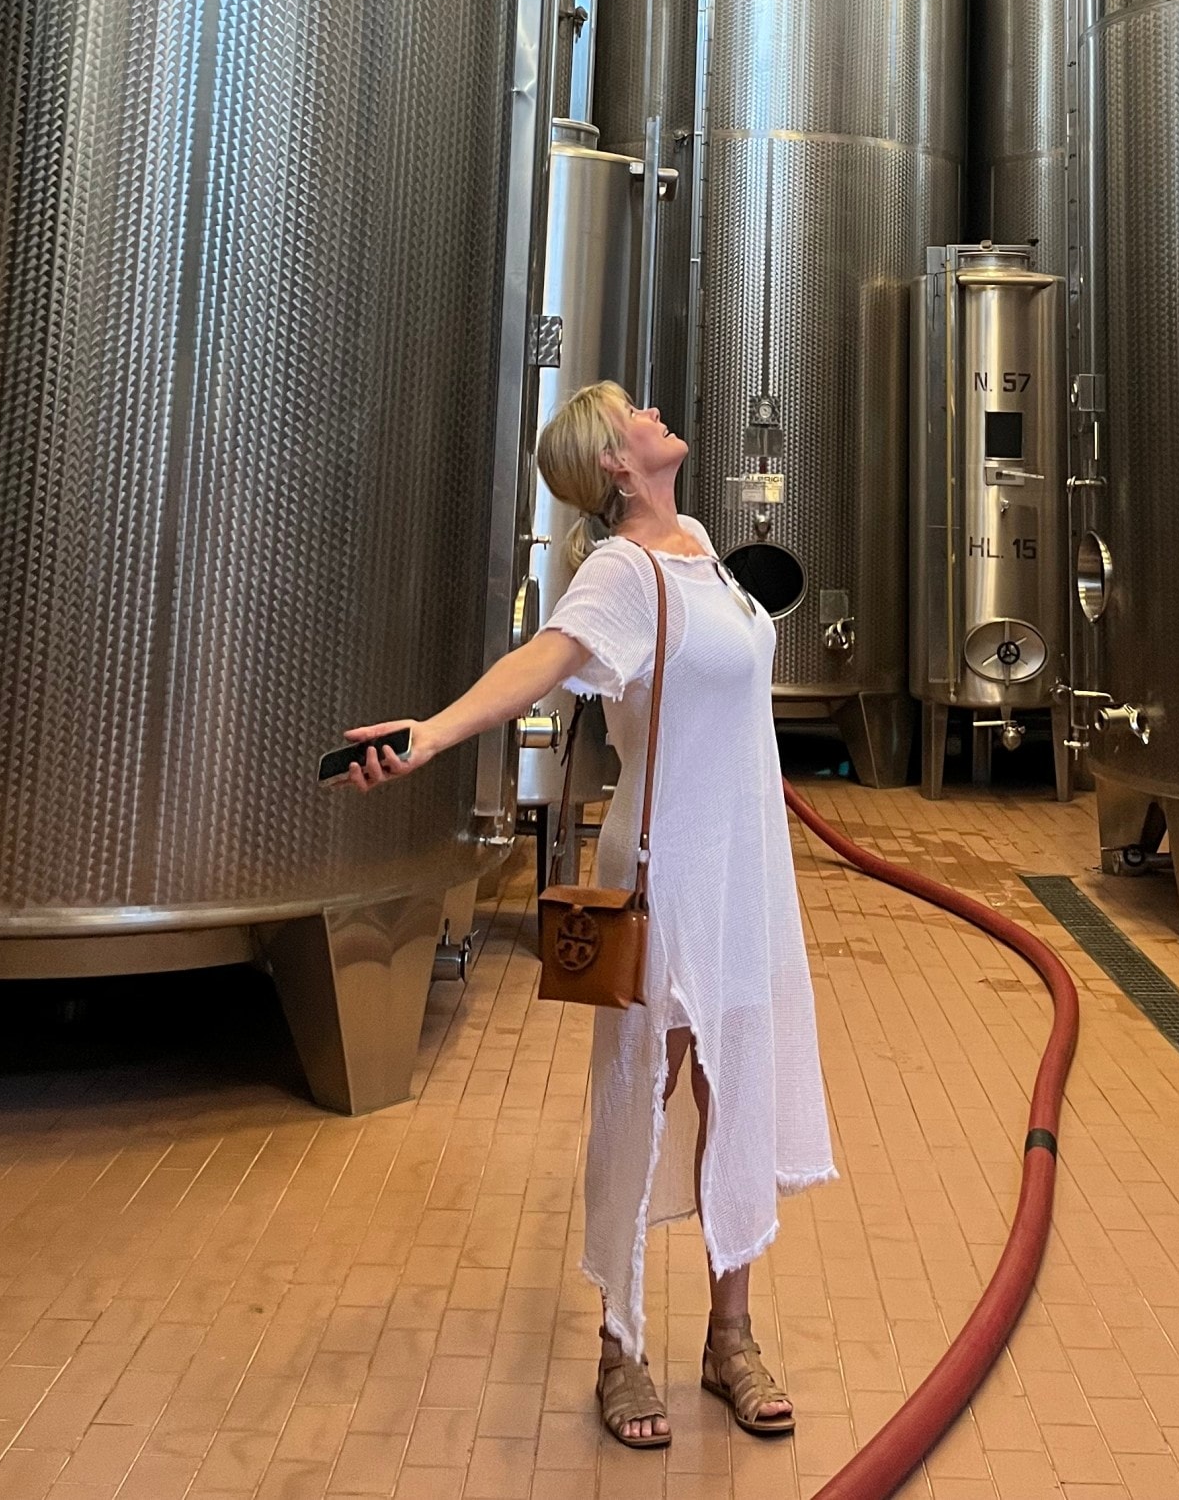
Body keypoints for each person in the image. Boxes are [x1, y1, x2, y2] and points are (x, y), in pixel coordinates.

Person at [337, 383, 834, 1451]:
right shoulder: (618, 571)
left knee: (732, 1088)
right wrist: (427, 736)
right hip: (664, 875)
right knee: (638, 1099)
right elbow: (541, 666)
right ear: (615, 460)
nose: (658, 414)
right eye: (636, 414)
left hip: (744, 869)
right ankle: (621, 1340)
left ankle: (729, 1338)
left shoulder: (698, 538)